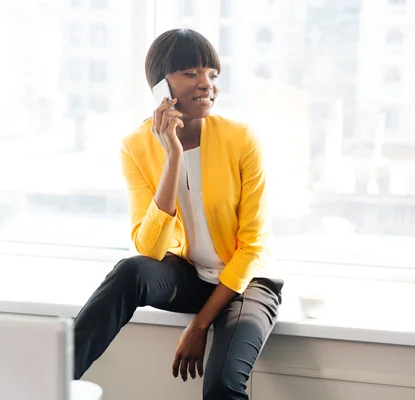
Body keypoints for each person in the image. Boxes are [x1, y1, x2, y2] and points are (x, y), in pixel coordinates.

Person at [73, 28, 284, 400]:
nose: (207, 85)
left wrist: (199, 326)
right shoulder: (137, 146)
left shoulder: (241, 139)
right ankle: (51, 377)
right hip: (190, 277)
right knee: (129, 271)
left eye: (212, 75)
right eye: (191, 73)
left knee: (222, 385)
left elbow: (253, 247)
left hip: (246, 284)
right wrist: (171, 156)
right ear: (160, 86)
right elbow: (150, 249)